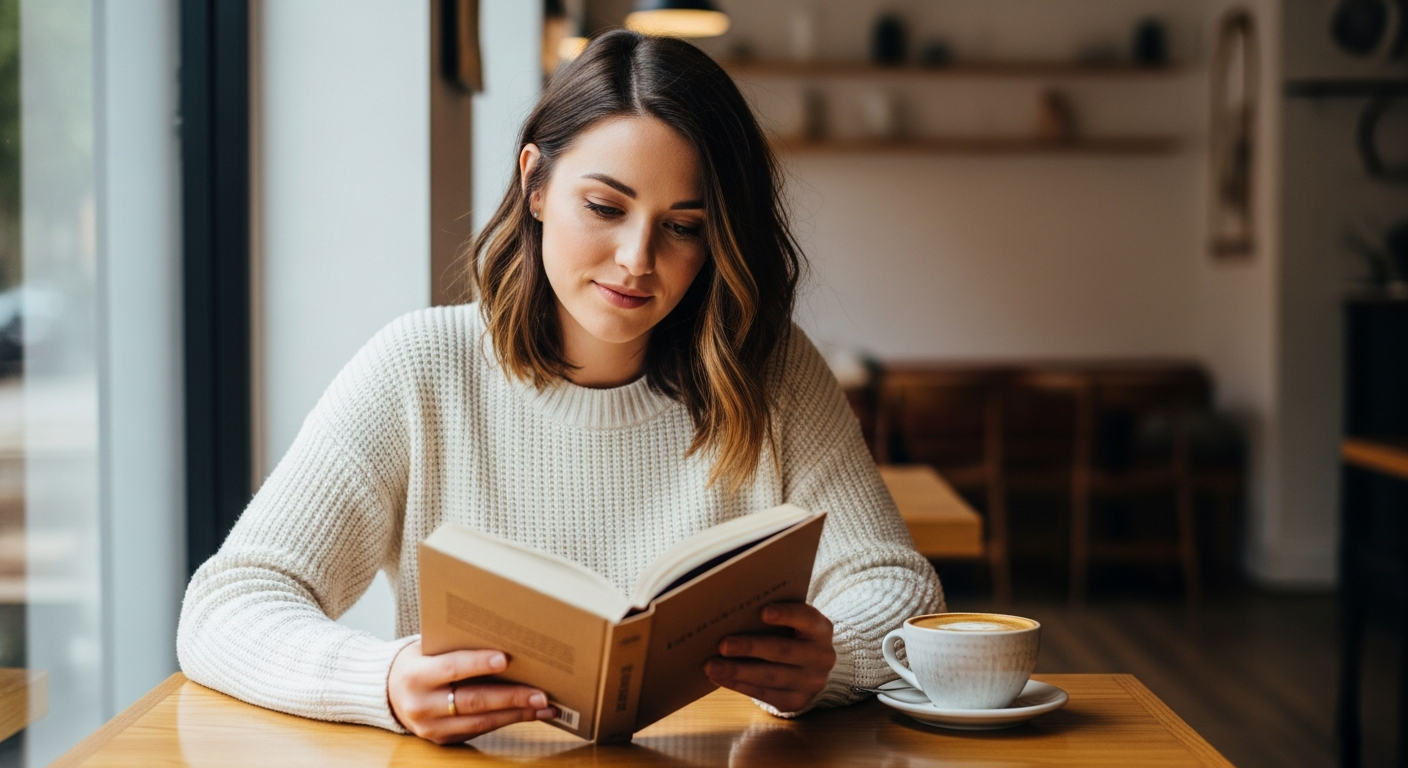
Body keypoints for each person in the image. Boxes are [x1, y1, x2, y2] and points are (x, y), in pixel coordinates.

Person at [177, 30, 943, 746]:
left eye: (683, 226)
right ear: (535, 184)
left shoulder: (768, 371)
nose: (637, 258)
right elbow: (227, 606)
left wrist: (828, 658)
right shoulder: (420, 368)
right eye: (605, 207)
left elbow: (900, 589)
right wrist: (382, 680)